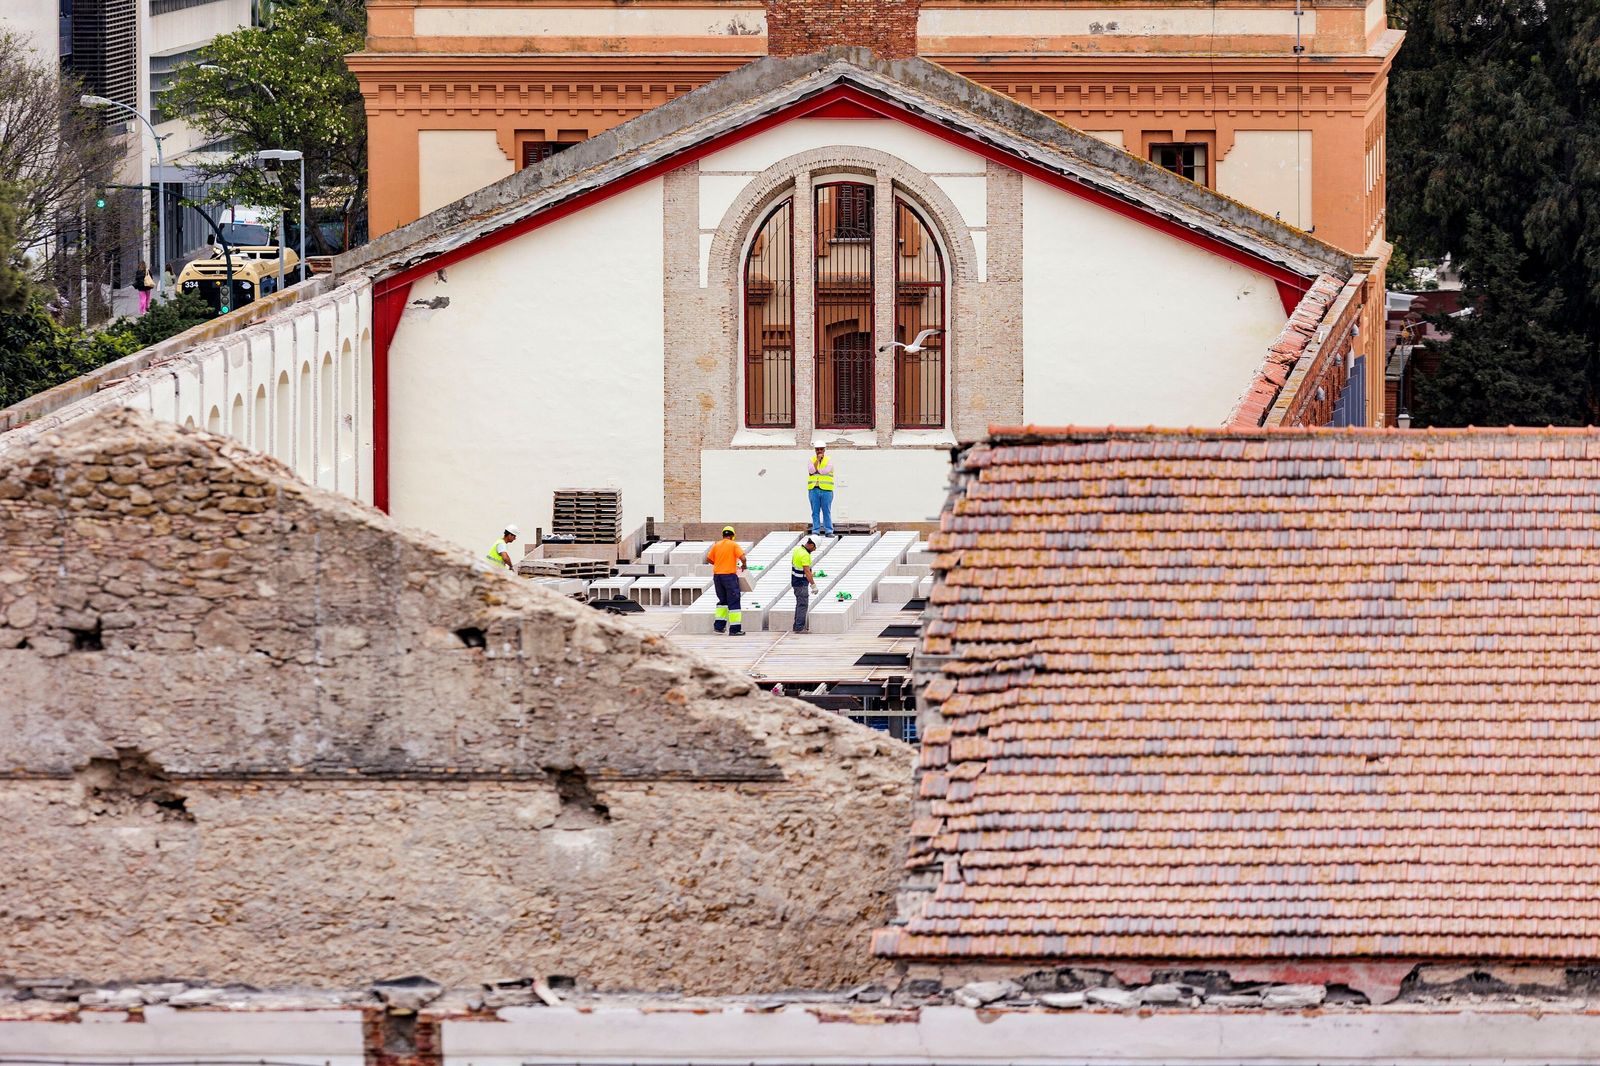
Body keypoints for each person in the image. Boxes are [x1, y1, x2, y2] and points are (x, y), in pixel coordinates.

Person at [704, 525, 748, 635]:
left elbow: (708, 558)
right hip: (729, 577)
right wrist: (744, 565)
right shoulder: (733, 545)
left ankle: (719, 627)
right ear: (732, 536)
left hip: (717, 577)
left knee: (722, 601)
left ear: (723, 535)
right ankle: (735, 629)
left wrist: (718, 563)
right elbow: (743, 558)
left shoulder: (716, 545)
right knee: (734, 602)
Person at [790, 535, 818, 633]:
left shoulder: (797, 550)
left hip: (795, 581)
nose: (814, 550)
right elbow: (806, 571)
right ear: (811, 545)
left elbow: (798, 566)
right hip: (801, 583)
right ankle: (799, 628)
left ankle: (796, 626)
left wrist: (808, 573)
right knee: (803, 605)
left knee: (799, 604)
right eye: (815, 548)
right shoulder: (805, 555)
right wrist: (813, 585)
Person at [807, 443, 835, 536]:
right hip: (813, 489)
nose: (819, 451)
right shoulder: (811, 460)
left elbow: (825, 471)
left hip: (826, 490)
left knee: (826, 511)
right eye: (817, 449)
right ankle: (815, 531)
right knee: (815, 511)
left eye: (821, 449)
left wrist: (816, 470)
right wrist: (817, 461)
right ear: (815, 450)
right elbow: (811, 470)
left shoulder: (829, 460)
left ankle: (829, 531)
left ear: (824, 450)